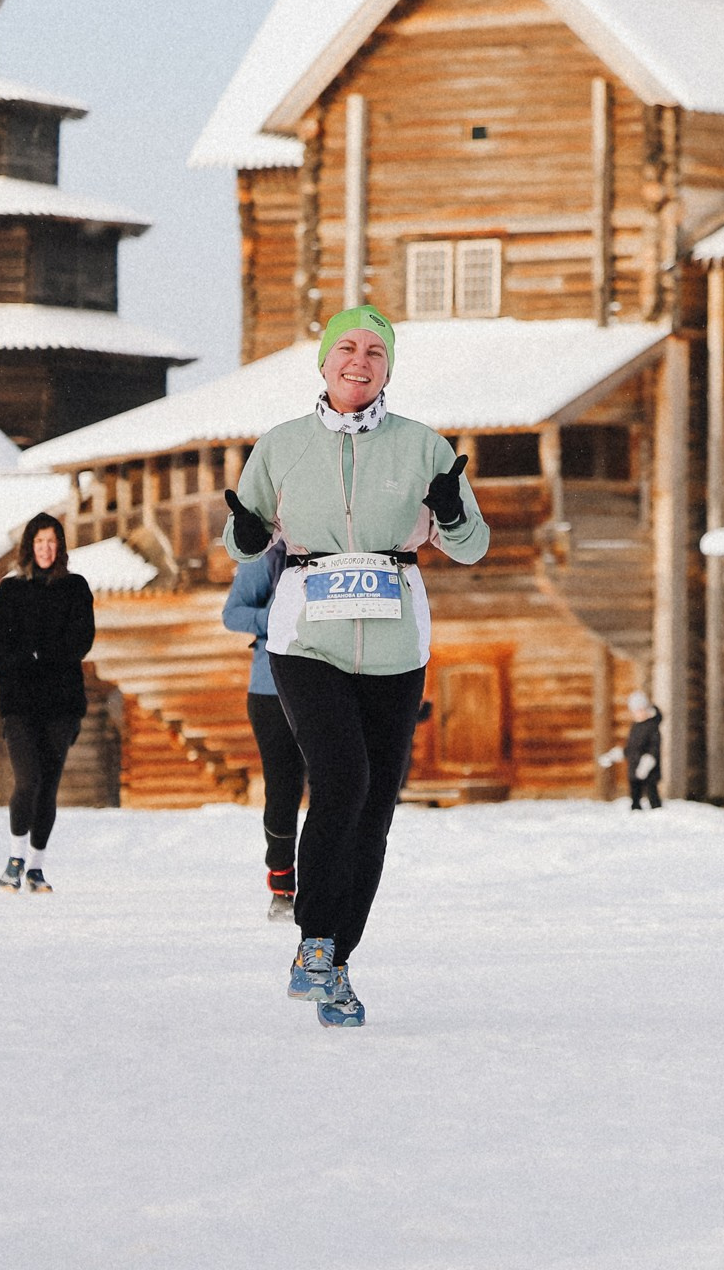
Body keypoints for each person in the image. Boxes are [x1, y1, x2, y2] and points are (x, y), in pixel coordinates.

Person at [222, 305, 487, 1027]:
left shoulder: (426, 446)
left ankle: (337, 961)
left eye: (375, 349)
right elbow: (241, 541)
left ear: (389, 368)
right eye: (347, 347)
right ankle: (312, 937)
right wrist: (246, 531)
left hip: (396, 642)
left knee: (375, 808)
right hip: (307, 636)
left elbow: (471, 544)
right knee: (343, 776)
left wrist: (453, 513)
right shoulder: (279, 446)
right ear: (325, 362)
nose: (360, 359)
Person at [0, 513, 95, 893]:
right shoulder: (10, 590)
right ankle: (15, 858)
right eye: (39, 541)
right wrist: (25, 660)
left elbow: (80, 641)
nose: (45, 548)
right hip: (19, 704)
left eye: (52, 542)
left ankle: (36, 867)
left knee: (48, 785)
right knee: (27, 779)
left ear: (60, 547)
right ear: (29, 546)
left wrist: (39, 655)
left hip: (61, 704)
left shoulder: (75, 588)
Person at [223, 543, 303, 920]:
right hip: (270, 688)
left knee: (335, 785)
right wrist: (274, 618)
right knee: (283, 786)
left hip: (330, 682)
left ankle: (327, 879)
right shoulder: (267, 556)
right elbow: (232, 614)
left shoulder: (335, 544)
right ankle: (283, 883)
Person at [626, 690, 664, 810]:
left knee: (651, 790)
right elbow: (631, 747)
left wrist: (647, 762)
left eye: (641, 709)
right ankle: (635, 808)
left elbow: (654, 747)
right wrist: (617, 754)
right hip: (634, 765)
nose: (639, 713)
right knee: (635, 791)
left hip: (649, 768)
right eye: (636, 711)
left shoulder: (652, 726)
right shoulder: (635, 726)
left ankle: (657, 810)